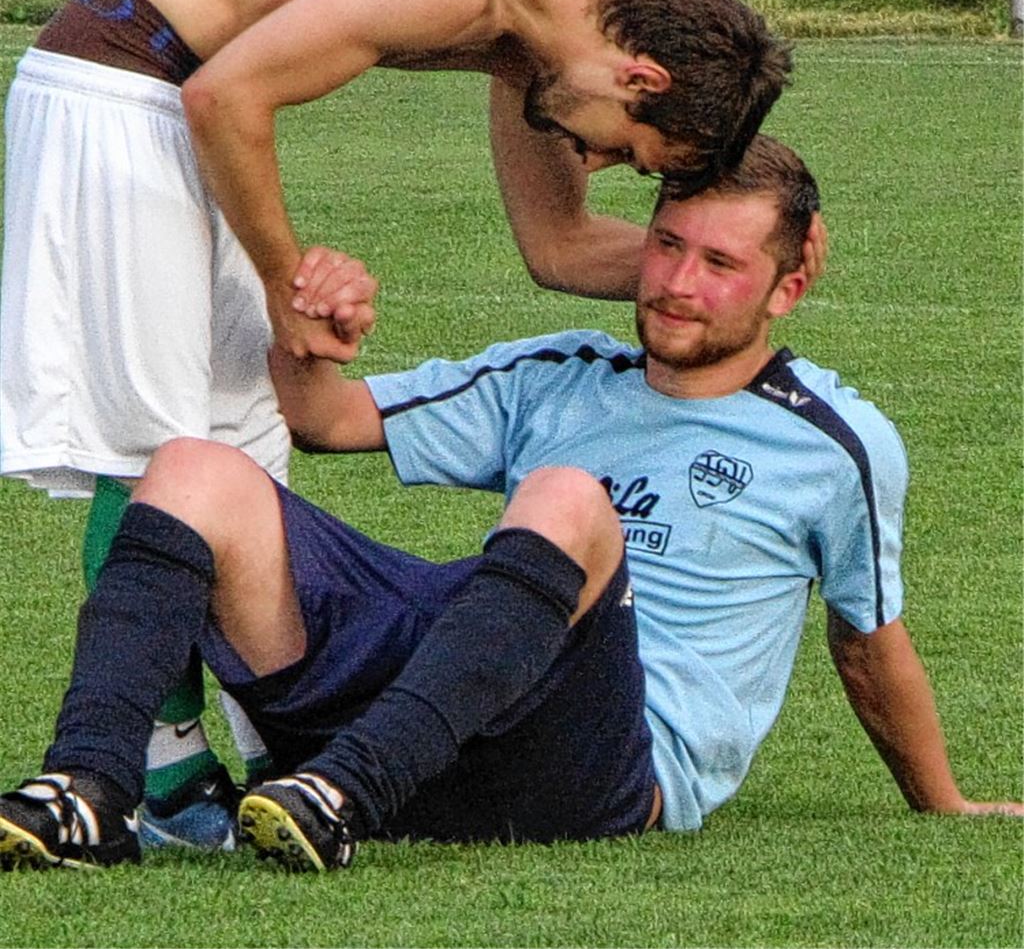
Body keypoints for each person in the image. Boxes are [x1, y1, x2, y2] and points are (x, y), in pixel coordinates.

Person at [0, 0, 794, 846]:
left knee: (242, 444)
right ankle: (159, 778)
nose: (596, 164)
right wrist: (294, 285)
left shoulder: (532, 37)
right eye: (627, 152)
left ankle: (261, 760)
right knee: (155, 444)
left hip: (179, 91)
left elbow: (558, 247)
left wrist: (742, 274)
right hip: (124, 82)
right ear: (641, 77)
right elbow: (225, 99)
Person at [1, 135, 1019, 872]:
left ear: (787, 287)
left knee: (565, 495)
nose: (675, 283)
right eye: (667, 247)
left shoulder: (834, 441)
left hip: (605, 768)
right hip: (442, 714)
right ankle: (89, 791)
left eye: (719, 265)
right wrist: (310, 319)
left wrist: (943, 803)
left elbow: (867, 639)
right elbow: (329, 418)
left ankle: (343, 790)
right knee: (195, 469)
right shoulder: (561, 374)